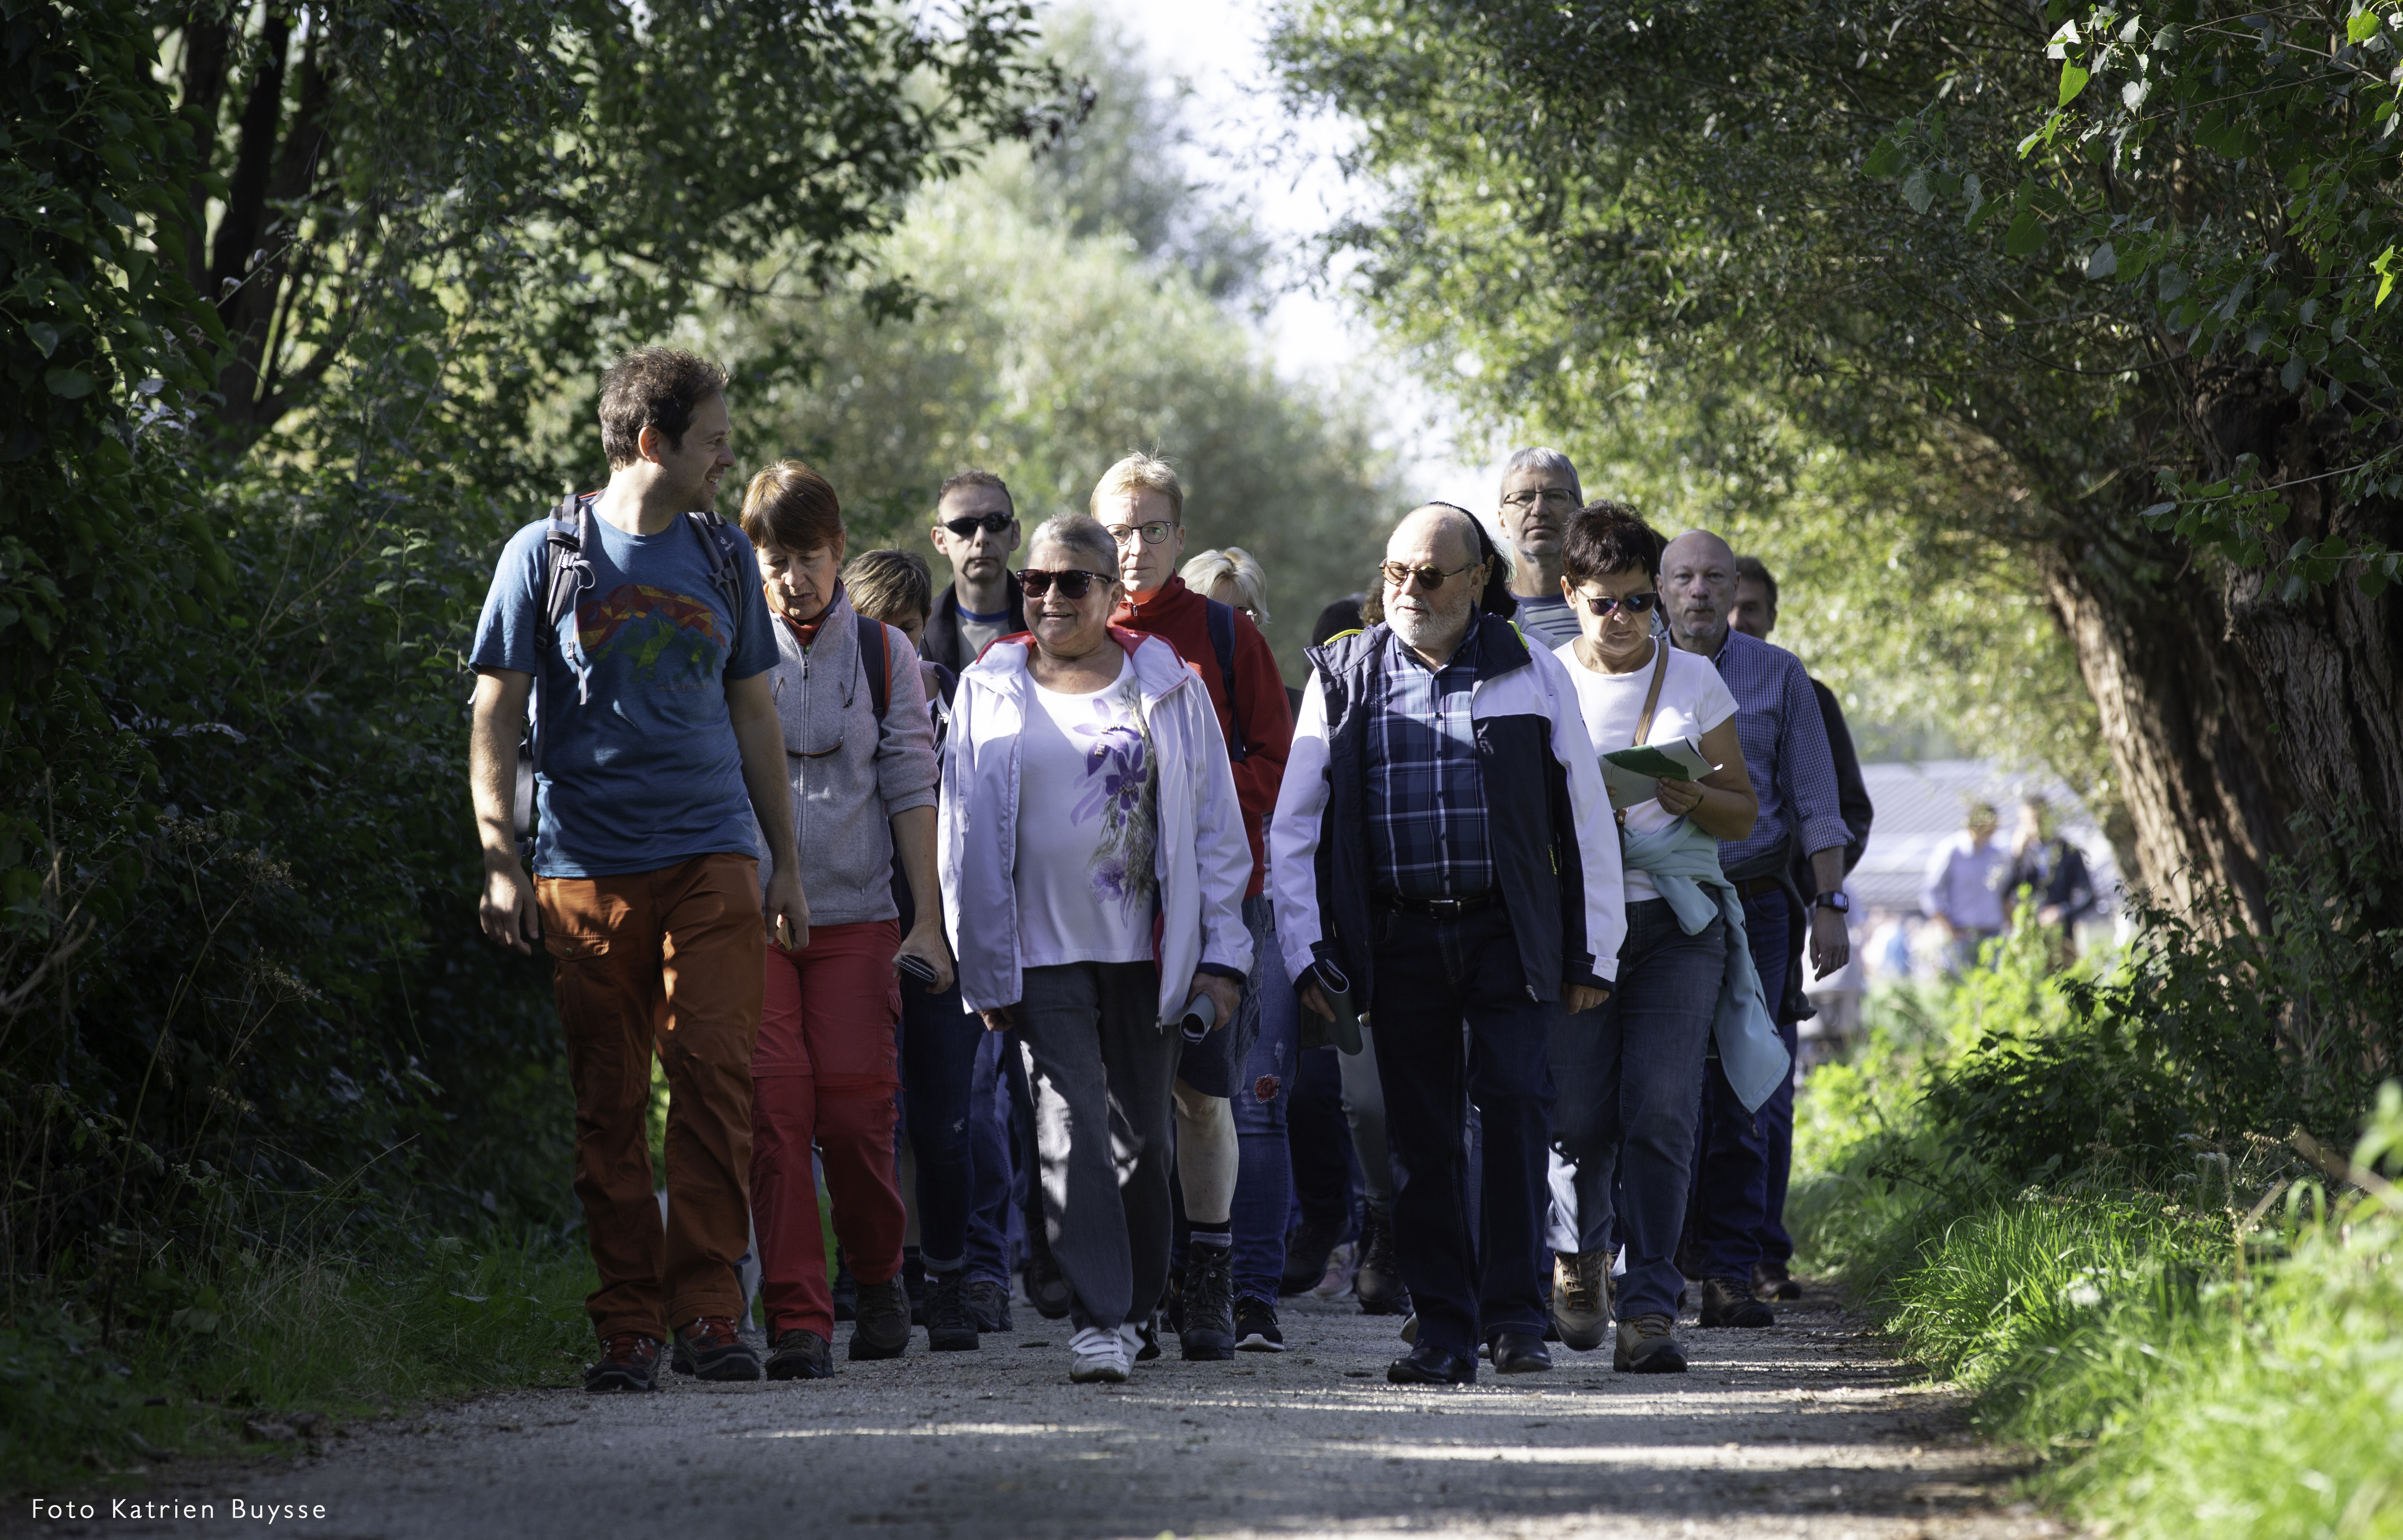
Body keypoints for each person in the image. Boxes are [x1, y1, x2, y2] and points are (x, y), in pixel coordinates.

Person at [467, 347, 804, 1391]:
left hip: (713, 857)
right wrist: (500, 858)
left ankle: (709, 1313)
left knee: (713, 1077)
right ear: (653, 442)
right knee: (608, 1104)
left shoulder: (722, 559)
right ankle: (627, 1326)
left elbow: (755, 711)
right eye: (713, 440)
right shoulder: (545, 553)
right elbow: (495, 711)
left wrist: (784, 860)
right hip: (586, 870)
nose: (727, 458)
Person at [1271, 503, 1624, 1386]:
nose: (1407, 590)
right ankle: (1441, 1330)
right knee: (1419, 1141)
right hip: (1395, 935)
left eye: (1430, 575)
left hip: (1505, 932)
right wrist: (1305, 951)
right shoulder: (1341, 676)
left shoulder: (1531, 671)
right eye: (1394, 572)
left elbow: (1585, 817)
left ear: (1476, 581)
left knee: (1514, 1113)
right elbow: (1293, 829)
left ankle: (1513, 1321)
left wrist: (1595, 953)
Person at [939, 513, 1253, 1385]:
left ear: (1113, 595)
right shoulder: (988, 686)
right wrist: (979, 958)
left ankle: (1137, 1298)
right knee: (1068, 1121)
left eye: (1070, 582)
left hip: (1147, 953)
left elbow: (1216, 832)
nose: (1046, 597)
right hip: (1037, 954)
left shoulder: (1167, 686)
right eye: (1033, 582)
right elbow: (958, 833)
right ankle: (1098, 1315)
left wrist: (1223, 958)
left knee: (1144, 1140)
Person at [1542, 503, 1769, 1374]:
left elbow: (1741, 812)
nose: (1627, 620)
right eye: (1607, 604)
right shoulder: (1543, 680)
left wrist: (1692, 799)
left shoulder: (1694, 684)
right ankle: (1577, 1255)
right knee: (1577, 1115)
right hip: (1580, 928)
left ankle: (1649, 1307)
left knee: (1663, 1111)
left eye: (1642, 602)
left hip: (1677, 926)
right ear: (1570, 594)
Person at [734, 464, 951, 1379]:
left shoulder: (885, 654)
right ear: (755, 560)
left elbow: (910, 784)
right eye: (775, 560)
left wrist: (928, 921)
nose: (794, 578)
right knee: (776, 1112)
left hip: (860, 917)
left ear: (838, 547)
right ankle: (797, 1319)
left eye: (810, 556)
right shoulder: (729, 645)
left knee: (858, 1116)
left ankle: (877, 1279)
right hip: (756, 924)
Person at [1097, 457, 1297, 1361]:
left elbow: (1276, 761)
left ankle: (1213, 1280)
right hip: (1102, 907)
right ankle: (1137, 1287)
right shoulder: (1076, 629)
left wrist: (1186, 800)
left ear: (1179, 537)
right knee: (1116, 1102)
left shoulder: (1222, 636)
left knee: (1202, 1096)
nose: (1131, 548)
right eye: (1117, 530)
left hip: (1219, 903)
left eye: (1148, 529)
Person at [1658, 530, 1851, 1330]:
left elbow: (1815, 795)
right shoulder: (1632, 667)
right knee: (1660, 1091)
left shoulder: (1778, 676)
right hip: (1657, 900)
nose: (1698, 591)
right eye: (1683, 577)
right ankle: (1657, 1271)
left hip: (1757, 907)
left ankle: (1731, 1275)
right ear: (1660, 587)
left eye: (1712, 577)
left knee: (1744, 1087)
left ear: (1733, 587)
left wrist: (1829, 904)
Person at [1728, 553, 1874, 1302]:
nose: (1735, 618)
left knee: (1766, 1084)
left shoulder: (1801, 692)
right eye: (1728, 603)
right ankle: (1696, 1251)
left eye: (1750, 606)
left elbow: (1843, 809)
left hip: (1771, 912)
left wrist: (1820, 894)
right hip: (1683, 907)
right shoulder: (1662, 678)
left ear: (1772, 615)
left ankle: (1761, 1252)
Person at [1174, 541, 1303, 1351]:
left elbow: (1287, 787)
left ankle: (1252, 1295)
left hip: (1267, 910)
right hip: (1159, 911)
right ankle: (1172, 1284)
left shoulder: (1285, 705)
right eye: (1222, 608)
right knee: (1172, 1107)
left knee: (1253, 1105)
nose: (1238, 621)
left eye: (1248, 606)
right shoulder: (1149, 681)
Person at [922, 470, 1027, 673]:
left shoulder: (1050, 623)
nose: (982, 537)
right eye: (964, 526)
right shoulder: (915, 632)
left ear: (1015, 533)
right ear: (941, 540)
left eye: (996, 522)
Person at [1494, 447, 1586, 651]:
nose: (1539, 510)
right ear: (1502, 521)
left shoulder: (1617, 606)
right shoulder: (1486, 612)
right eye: (1524, 498)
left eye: (1555, 496)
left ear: (1580, 513)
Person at [1923, 801, 2014, 969]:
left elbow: (2007, 894)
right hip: (1961, 937)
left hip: (1993, 935)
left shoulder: (1998, 854)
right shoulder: (1950, 851)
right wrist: (1949, 928)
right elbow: (1930, 894)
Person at [2011, 796, 2097, 965]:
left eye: (2039, 820)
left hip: (2063, 935)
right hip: (2031, 936)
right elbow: (2007, 894)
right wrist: (2016, 858)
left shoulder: (2068, 851)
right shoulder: (2023, 856)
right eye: (2029, 822)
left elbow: (2088, 895)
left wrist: (2062, 911)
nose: (2035, 827)